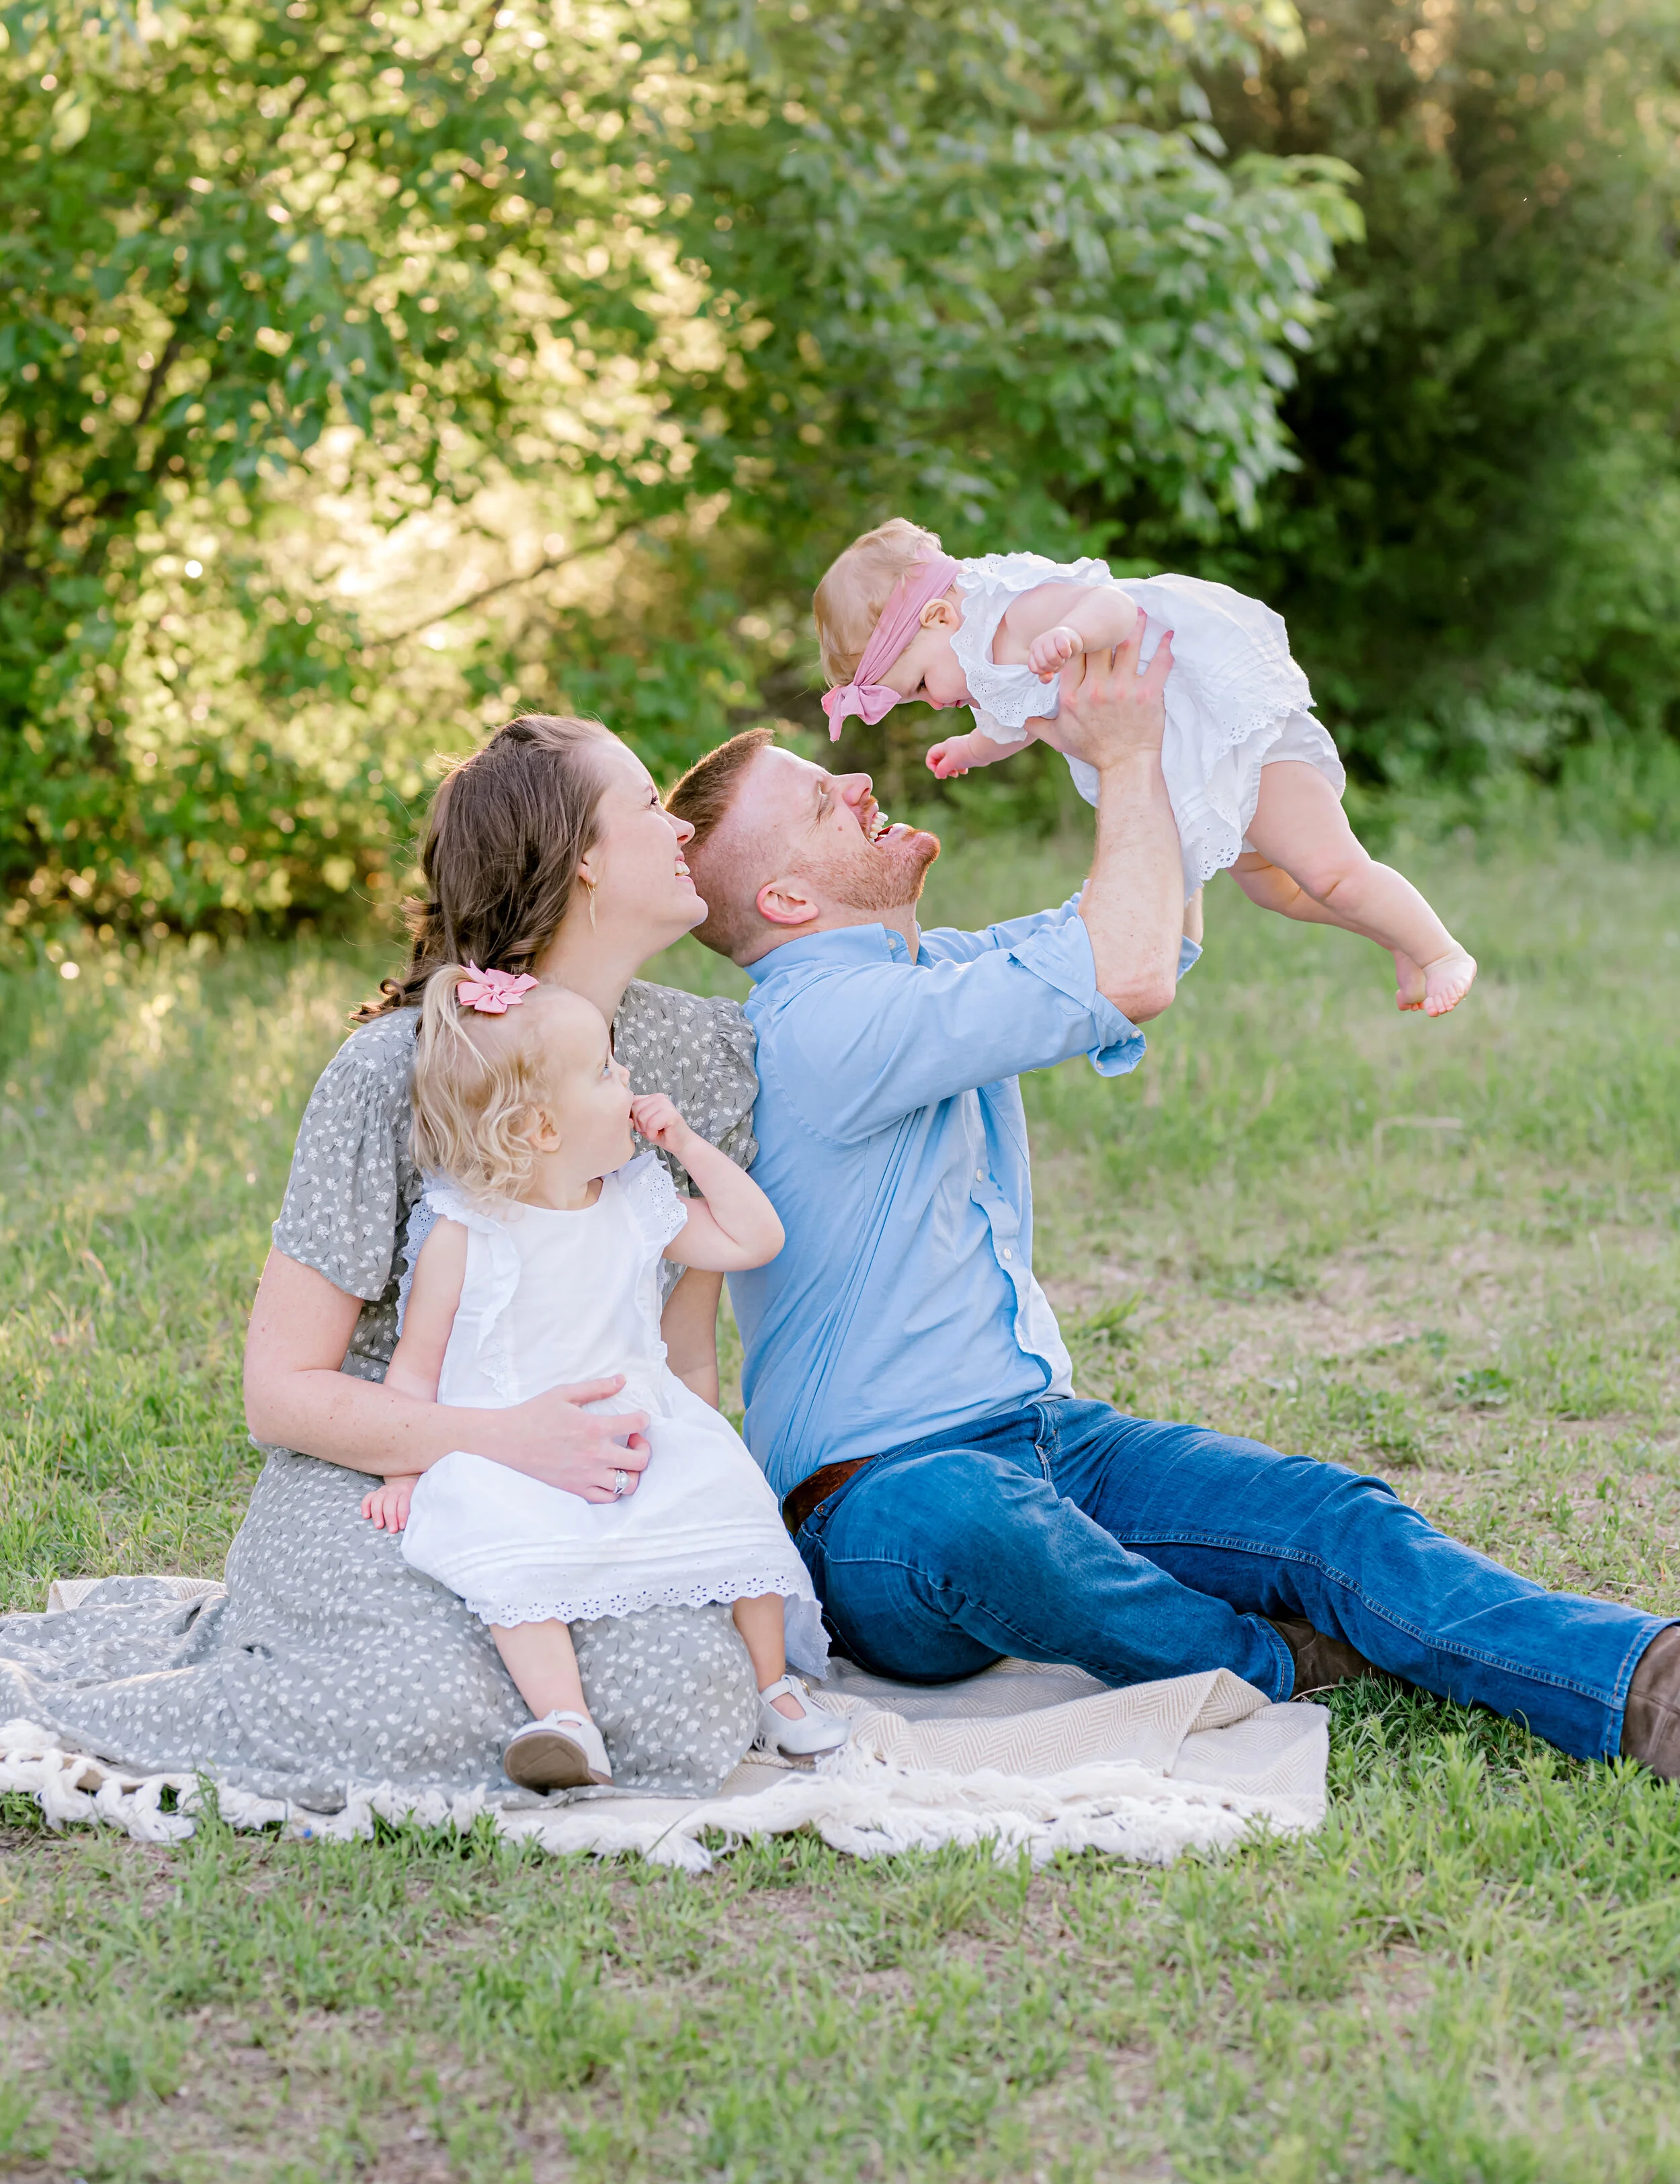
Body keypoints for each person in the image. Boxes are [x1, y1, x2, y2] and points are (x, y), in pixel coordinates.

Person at [665, 616, 1680, 1779]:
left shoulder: (932, 969)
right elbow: (1129, 970)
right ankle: (1267, 1661)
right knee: (973, 1519)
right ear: (787, 903)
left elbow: (1155, 926)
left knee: (1328, 1513)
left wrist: (1125, 745)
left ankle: (1644, 1686)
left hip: (1054, 1440)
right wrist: (1135, 755)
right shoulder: (819, 1026)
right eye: (815, 801)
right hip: (879, 1513)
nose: (855, 780)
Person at [0, 716, 770, 1802]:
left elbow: (687, 1348)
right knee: (416, 1705)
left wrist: (679, 1504)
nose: (677, 824)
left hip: (604, 1466)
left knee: (683, 1712)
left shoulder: (700, 1057)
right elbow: (283, 1393)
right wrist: (502, 1439)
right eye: (647, 803)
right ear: (585, 861)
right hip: (390, 1463)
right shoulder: (392, 1071)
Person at [362, 965, 847, 1790]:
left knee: (733, 1501)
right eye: (604, 1071)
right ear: (542, 1130)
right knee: (505, 1555)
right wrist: (404, 1468)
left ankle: (774, 1687)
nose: (626, 1080)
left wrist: (688, 1146)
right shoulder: (463, 1229)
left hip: (639, 1425)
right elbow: (414, 1365)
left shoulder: (636, 1199)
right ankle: (566, 1721)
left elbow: (754, 1238)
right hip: (505, 1447)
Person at [816, 519, 1476, 1017]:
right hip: (1187, 765)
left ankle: (1443, 949)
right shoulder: (983, 660)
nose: (932, 701)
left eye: (922, 683)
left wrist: (1073, 635)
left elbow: (1114, 605)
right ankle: (1399, 935)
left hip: (1223, 735)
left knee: (1330, 869)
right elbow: (1017, 720)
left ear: (939, 616)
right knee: (1275, 887)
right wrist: (970, 748)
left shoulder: (1017, 608)